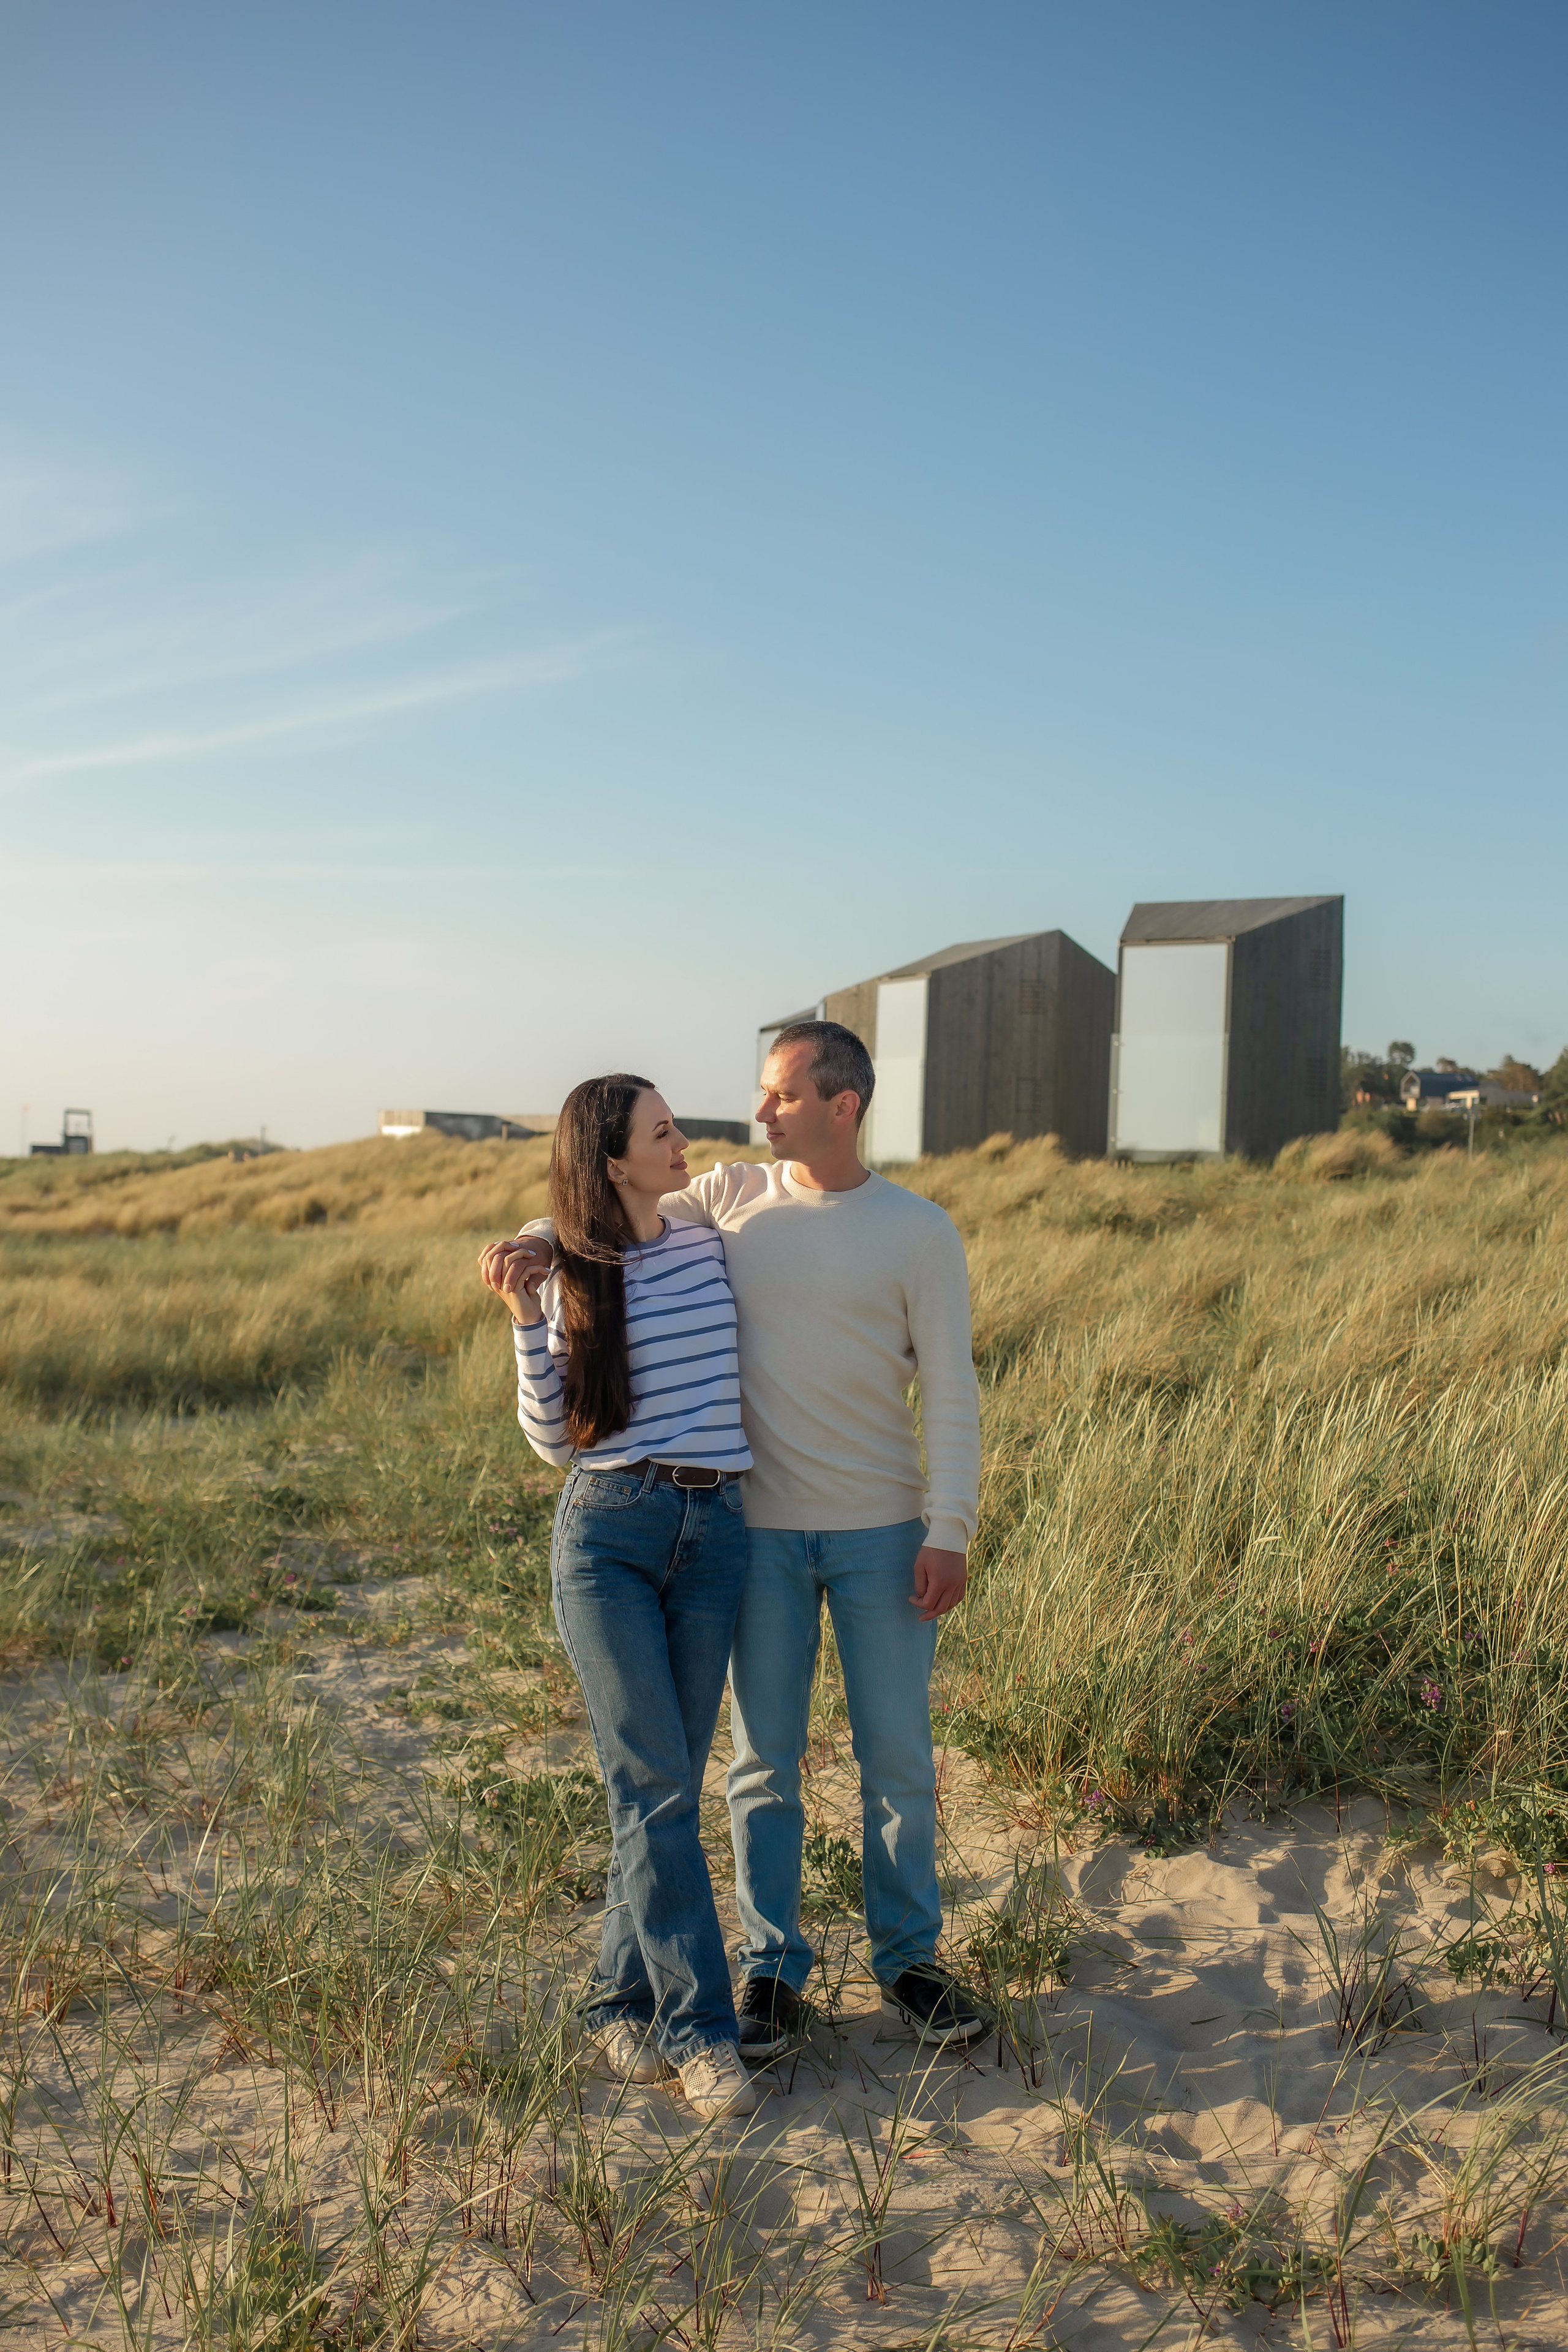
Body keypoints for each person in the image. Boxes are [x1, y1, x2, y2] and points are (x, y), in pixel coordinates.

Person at [500, 1022, 986, 2058]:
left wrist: (949, 1527)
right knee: (763, 1765)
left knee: (897, 1757)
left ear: (842, 1104)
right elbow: (600, 1207)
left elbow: (951, 1388)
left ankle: (910, 1961)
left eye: (781, 1097)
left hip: (884, 1531)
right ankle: (773, 1971)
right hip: (753, 1533)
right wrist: (534, 1247)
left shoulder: (917, 1230)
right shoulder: (727, 1198)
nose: (759, 1115)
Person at [477, 1074, 757, 2122]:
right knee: (653, 1784)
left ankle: (613, 2000)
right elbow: (556, 1442)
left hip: (719, 1530)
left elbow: (772, 1186)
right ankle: (702, 2034)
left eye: (675, 1127)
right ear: (612, 1161)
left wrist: (537, 1236)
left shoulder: (710, 1231)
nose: (682, 1141)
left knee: (668, 1785)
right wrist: (524, 1308)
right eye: (661, 1131)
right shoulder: (567, 1271)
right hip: (611, 1534)